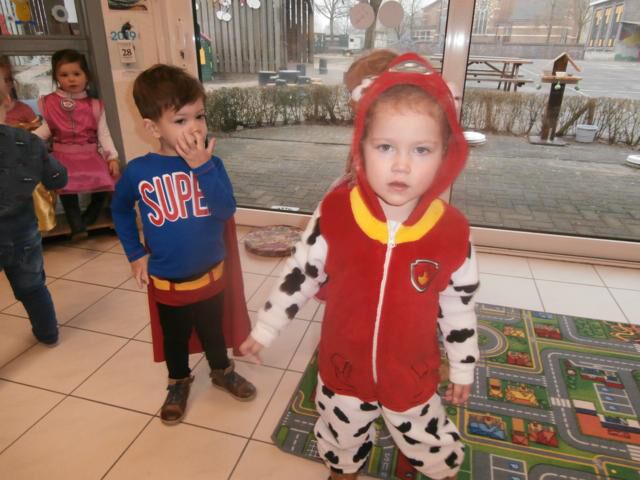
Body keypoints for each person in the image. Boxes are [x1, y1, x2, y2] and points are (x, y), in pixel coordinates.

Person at [240, 51, 480, 480]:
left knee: (427, 440)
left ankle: (432, 467)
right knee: (341, 435)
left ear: (445, 156)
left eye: (421, 150)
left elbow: (459, 305)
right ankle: (343, 469)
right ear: (361, 149)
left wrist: (462, 364)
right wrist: (266, 328)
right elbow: (300, 274)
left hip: (410, 372)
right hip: (344, 367)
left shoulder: (451, 231)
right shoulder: (336, 212)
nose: (402, 164)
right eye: (385, 147)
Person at [111, 64, 256, 425]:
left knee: (213, 329)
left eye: (199, 116)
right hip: (167, 280)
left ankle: (221, 370)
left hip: (211, 274)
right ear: (152, 128)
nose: (195, 128)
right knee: (174, 338)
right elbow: (120, 209)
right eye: (180, 120)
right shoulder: (139, 171)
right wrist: (135, 254)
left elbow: (225, 210)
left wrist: (203, 168)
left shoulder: (213, 164)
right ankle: (178, 382)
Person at [0, 78, 68, 345]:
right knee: (32, 286)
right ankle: (48, 333)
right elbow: (57, 178)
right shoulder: (25, 141)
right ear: (7, 101)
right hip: (21, 231)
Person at [34, 49, 120, 240]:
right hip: (62, 156)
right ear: (56, 78)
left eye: (76, 73)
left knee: (107, 179)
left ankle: (89, 217)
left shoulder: (94, 105)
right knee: (64, 184)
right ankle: (77, 226)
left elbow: (103, 134)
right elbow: (45, 130)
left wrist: (112, 157)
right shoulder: (50, 103)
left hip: (90, 155)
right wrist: (23, 140)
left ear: (86, 75)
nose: (71, 79)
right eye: (64, 75)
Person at [0, 56, 41, 130]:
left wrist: (23, 127)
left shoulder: (23, 109)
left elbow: (38, 128)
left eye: (3, 81)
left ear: (11, 83)